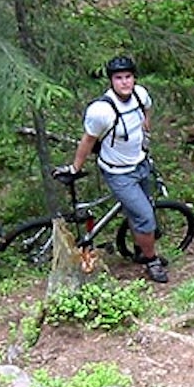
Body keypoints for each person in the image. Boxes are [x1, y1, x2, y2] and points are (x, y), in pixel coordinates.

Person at [68, 55, 168, 283]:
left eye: (128, 77)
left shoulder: (140, 95)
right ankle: (151, 260)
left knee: (141, 210)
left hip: (140, 163)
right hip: (118, 172)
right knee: (145, 216)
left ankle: (139, 248)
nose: (124, 82)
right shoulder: (101, 110)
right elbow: (88, 141)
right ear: (111, 81)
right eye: (119, 78)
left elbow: (147, 111)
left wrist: (146, 130)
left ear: (134, 78)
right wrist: (75, 168)